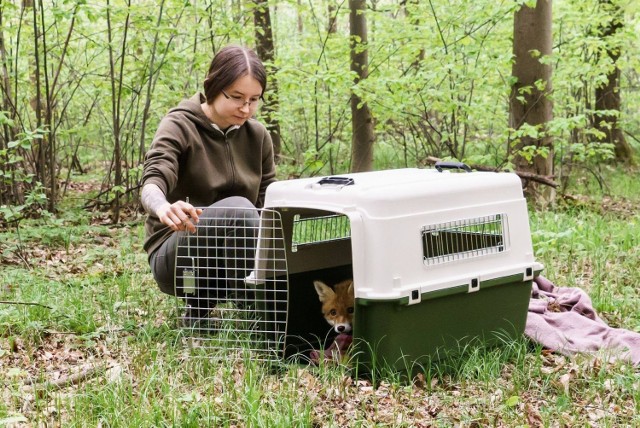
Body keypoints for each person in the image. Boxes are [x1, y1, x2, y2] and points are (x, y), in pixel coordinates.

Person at [140, 45, 276, 325]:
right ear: (213, 87)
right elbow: (153, 179)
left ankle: (272, 307)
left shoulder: (258, 136)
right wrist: (163, 206)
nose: (246, 108)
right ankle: (262, 314)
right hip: (178, 256)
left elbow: (269, 201)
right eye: (237, 97)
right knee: (239, 209)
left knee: (269, 218)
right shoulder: (179, 124)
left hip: (235, 255)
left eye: (254, 99)